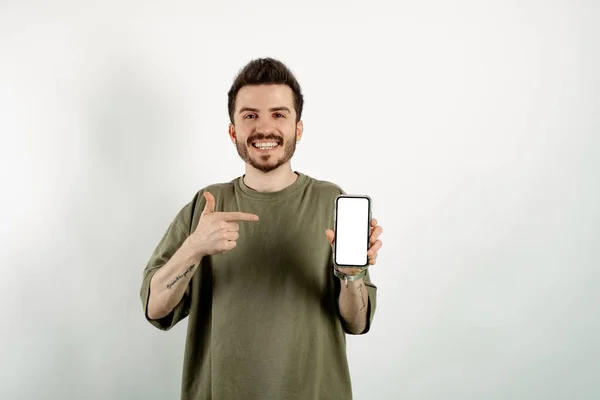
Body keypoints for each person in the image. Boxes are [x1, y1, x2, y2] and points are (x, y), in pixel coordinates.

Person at [140, 57, 384, 400]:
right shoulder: (207, 204)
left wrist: (351, 275)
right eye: (250, 115)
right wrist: (193, 248)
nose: (264, 128)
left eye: (279, 114)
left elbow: (357, 322)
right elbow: (155, 308)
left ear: (298, 128)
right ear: (233, 131)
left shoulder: (331, 200)